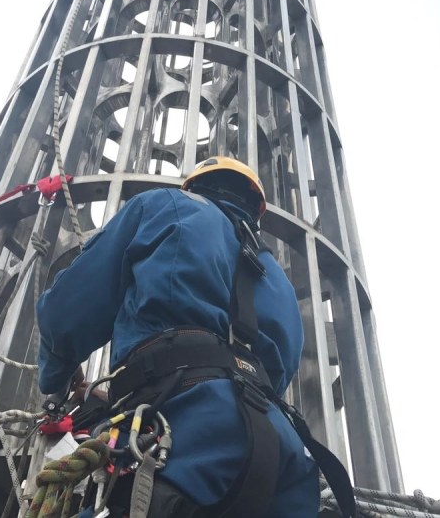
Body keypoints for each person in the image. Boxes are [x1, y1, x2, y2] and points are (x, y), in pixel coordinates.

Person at [36, 157, 320, 518]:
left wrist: (56, 378)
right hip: (281, 452)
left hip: (185, 424)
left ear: (195, 186)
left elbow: (66, 312)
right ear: (255, 210)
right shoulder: (278, 280)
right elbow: (273, 376)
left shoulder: (163, 206)